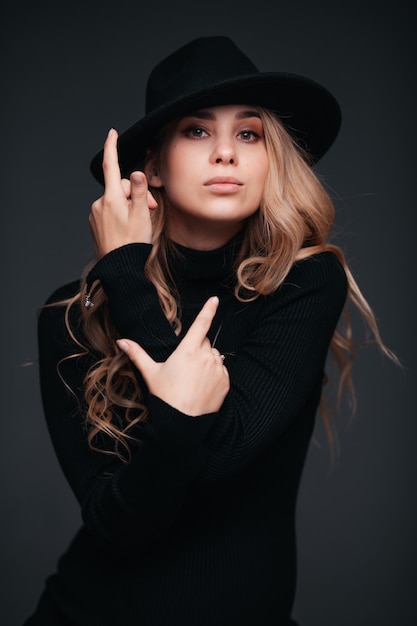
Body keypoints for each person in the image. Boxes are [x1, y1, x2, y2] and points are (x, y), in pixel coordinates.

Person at [24, 36, 395, 626]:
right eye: (197, 131)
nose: (227, 153)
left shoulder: (304, 283)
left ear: (271, 158)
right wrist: (126, 277)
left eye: (249, 134)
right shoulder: (70, 317)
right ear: (152, 168)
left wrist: (127, 277)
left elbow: (220, 453)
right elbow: (118, 529)